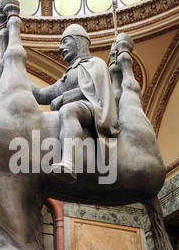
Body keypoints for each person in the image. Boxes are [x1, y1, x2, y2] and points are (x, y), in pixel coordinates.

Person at [32, 24, 120, 183]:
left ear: (79, 41)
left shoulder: (95, 63)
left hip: (94, 108)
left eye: (65, 41)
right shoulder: (69, 73)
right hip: (82, 107)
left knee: (68, 111)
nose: (60, 47)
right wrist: (18, 77)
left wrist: (64, 98)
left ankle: (68, 163)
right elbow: (42, 94)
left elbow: (94, 91)